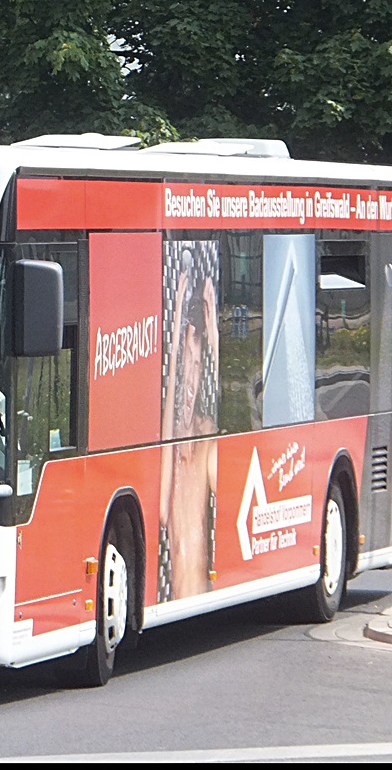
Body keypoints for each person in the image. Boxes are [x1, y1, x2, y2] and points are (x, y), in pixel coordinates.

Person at [158, 249, 220, 601]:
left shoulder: (207, 435)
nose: (190, 377)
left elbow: (231, 485)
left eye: (197, 364)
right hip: (180, 594)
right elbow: (163, 512)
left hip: (198, 588)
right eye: (185, 365)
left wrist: (213, 337)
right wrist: (178, 317)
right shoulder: (173, 458)